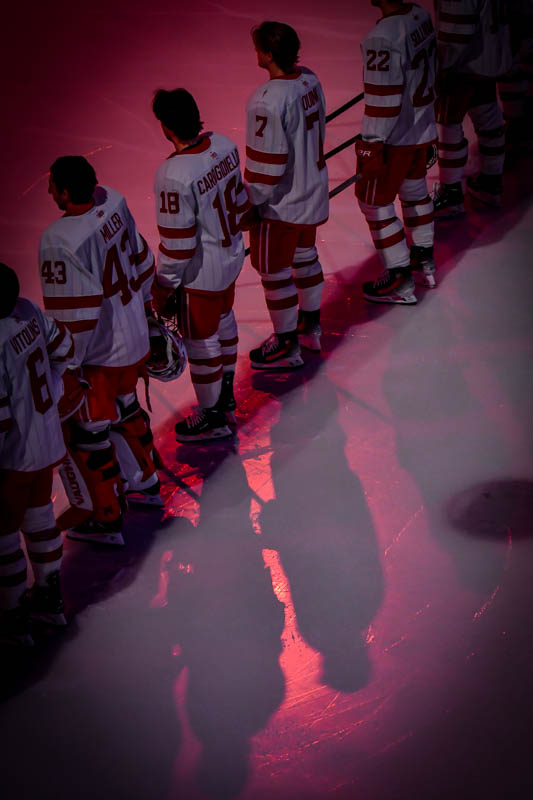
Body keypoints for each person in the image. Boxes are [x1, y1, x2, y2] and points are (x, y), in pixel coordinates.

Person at [39, 156, 160, 547]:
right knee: (127, 408)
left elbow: (76, 312)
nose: (48, 191)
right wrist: (147, 314)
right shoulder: (115, 200)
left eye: (52, 185)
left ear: (65, 192)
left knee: (88, 432)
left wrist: (67, 366)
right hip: (134, 337)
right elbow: (143, 260)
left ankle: (106, 517)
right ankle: (147, 483)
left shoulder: (59, 239)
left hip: (100, 354)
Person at [152, 88, 249, 442]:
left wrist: (164, 284)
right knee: (224, 320)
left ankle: (212, 415)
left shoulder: (173, 173)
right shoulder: (223, 144)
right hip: (231, 254)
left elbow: (178, 243)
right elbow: (241, 200)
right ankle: (226, 397)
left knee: (201, 340)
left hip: (201, 272)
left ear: (166, 127)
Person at [244, 20, 329, 367]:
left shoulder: (266, 101)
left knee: (274, 273)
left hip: (281, 205)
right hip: (312, 190)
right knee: (305, 257)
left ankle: (286, 343)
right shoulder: (309, 79)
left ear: (268, 54)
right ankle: (311, 327)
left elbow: (266, 168)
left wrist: (249, 202)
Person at [0, 264, 73, 645]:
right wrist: (55, 388)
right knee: (41, 518)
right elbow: (65, 348)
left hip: (13, 456)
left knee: (3, 536)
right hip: (46, 440)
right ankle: (49, 596)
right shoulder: (28, 309)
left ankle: (12, 616)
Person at [356, 0, 438, 304]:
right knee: (416, 193)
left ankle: (399, 278)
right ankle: (424, 261)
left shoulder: (382, 36)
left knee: (374, 204)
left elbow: (384, 99)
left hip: (395, 137)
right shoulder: (420, 15)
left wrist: (371, 143)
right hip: (421, 126)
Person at [432, 0, 512, 214]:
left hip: (464, 62)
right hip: (487, 51)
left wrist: (442, 66)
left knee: (449, 121)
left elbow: (456, 29)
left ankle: (450, 191)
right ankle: (491, 181)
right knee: (487, 113)